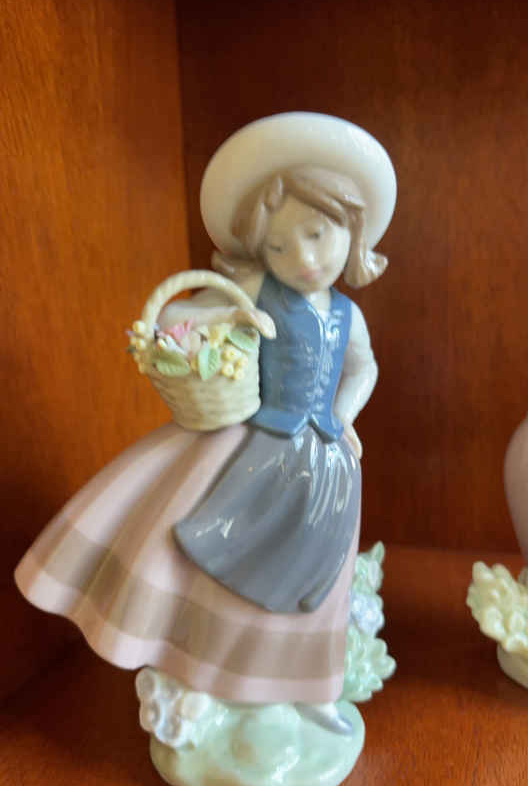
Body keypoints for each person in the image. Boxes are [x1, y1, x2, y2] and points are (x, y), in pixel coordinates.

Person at [14, 113, 396, 735]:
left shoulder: (348, 316)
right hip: (254, 449)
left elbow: (364, 367)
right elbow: (183, 318)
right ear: (261, 249)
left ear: (351, 231)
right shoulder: (255, 287)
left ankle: (312, 688)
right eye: (282, 246)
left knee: (321, 585)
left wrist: (346, 414)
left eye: (317, 236)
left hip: (327, 465)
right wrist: (206, 327)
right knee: (221, 561)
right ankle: (212, 672)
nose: (303, 259)